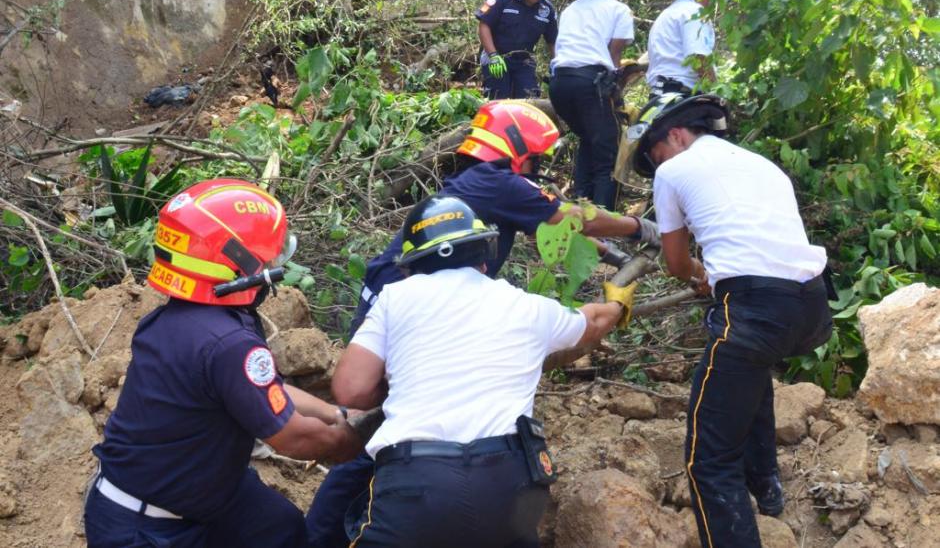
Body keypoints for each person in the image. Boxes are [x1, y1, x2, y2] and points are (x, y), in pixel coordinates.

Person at [305, 99, 659, 547]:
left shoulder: (476, 187)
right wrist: (637, 228)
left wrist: (609, 255)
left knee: (400, 419)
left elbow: (553, 226)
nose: (536, 169)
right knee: (381, 422)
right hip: (418, 317)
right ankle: (322, 532)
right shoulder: (493, 181)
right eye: (535, 159)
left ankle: (331, 528)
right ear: (515, 150)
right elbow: (566, 216)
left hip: (410, 311)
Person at [331, 196, 631, 547]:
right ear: (483, 258)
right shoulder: (524, 306)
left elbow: (350, 389)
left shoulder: (395, 298)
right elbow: (593, 321)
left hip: (417, 482)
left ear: (412, 264)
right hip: (507, 483)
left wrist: (394, 384)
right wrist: (618, 302)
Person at [84, 179, 362, 548]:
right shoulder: (228, 344)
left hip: (204, 497)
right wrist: (350, 442)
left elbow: (271, 393)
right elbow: (293, 437)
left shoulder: (184, 320)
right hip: (146, 527)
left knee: (282, 529)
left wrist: (333, 414)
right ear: (238, 263)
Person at [629, 93, 834, 548]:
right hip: (812, 305)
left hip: (756, 308)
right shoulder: (761, 164)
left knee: (708, 462)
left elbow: (677, 263)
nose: (656, 163)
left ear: (676, 135)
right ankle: (767, 489)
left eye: (655, 152)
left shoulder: (672, 170)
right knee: (746, 371)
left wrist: (702, 274)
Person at [548, 0, 634, 211]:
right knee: (607, 148)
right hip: (590, 83)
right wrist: (617, 92)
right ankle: (603, 222)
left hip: (560, 85)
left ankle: (579, 206)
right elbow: (614, 56)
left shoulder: (571, 9)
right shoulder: (619, 10)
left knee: (588, 137)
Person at [475, 0, 558, 99]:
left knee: (529, 99)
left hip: (523, 61)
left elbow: (553, 41)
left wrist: (557, 64)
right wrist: (493, 55)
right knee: (498, 98)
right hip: (496, 57)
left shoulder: (547, 10)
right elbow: (484, 25)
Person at [645, 0, 716, 97]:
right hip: (683, 95)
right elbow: (699, 57)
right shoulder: (695, 12)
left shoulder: (666, 15)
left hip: (658, 95)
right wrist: (717, 90)